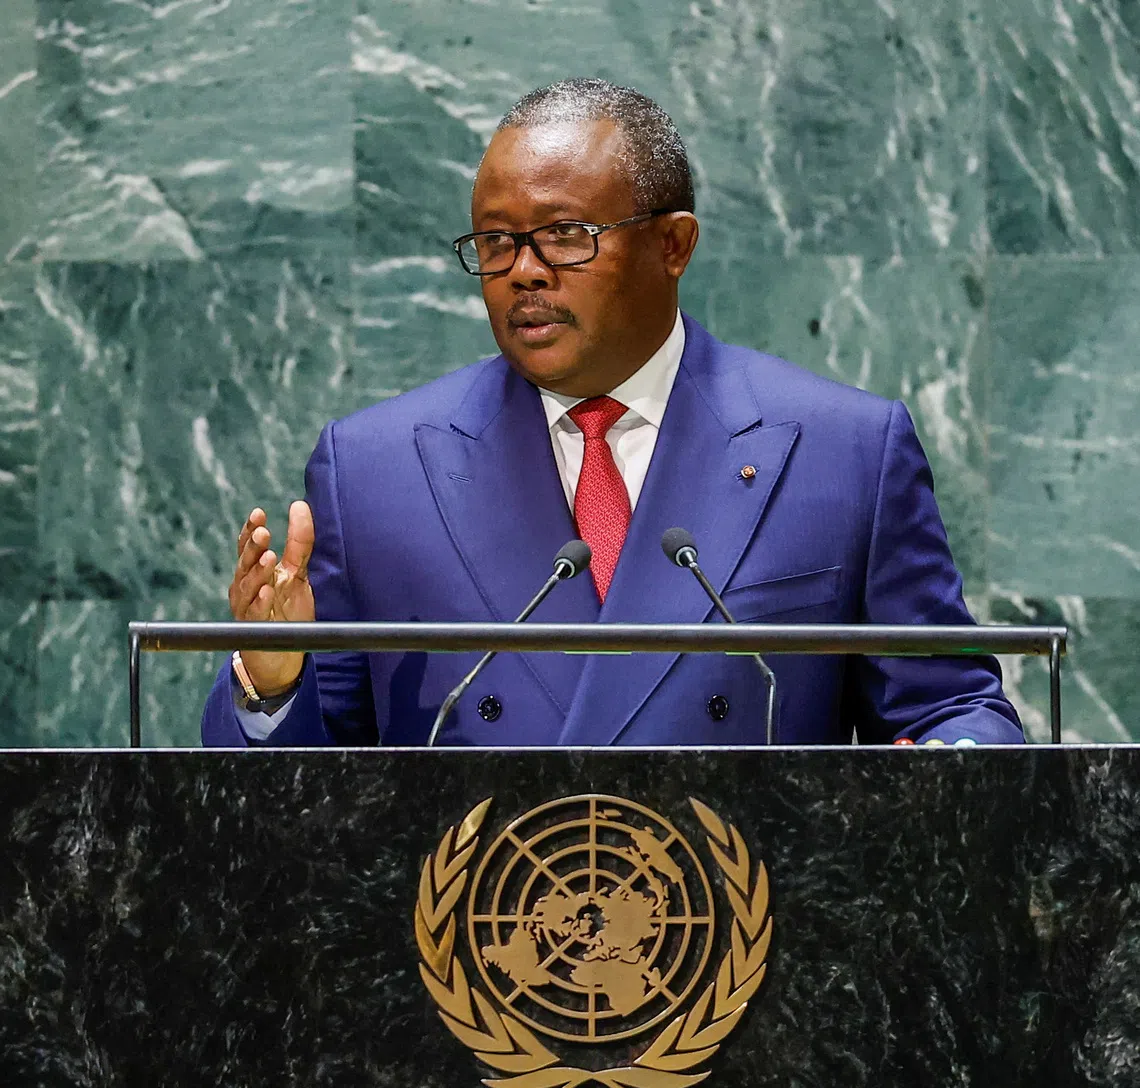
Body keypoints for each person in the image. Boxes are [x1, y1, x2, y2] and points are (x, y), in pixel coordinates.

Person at [201, 78, 1023, 748]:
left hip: (749, 934)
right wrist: (270, 679)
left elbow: (951, 707)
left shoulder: (845, 451)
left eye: (565, 235)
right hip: (474, 936)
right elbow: (305, 794)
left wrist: (954, 770)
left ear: (674, 245)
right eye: (494, 242)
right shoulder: (372, 469)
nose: (523, 272)